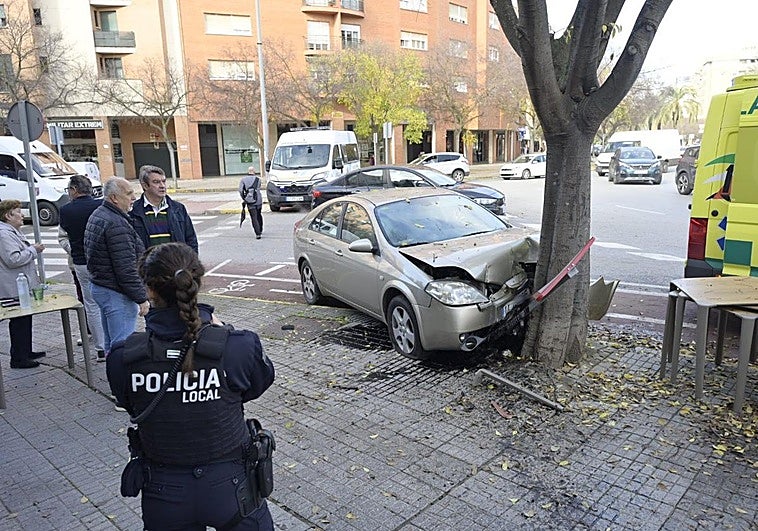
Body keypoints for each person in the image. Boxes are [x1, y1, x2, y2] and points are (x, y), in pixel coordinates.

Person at [106, 242, 275, 530]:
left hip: (164, 491)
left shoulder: (124, 356)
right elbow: (257, 383)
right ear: (197, 282)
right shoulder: (238, 345)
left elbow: (128, 401)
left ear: (149, 290)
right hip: (233, 488)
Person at [84, 177, 149, 355]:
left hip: (102, 286)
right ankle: (120, 381)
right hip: (116, 292)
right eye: (129, 194)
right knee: (122, 347)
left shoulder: (100, 214)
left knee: (111, 345)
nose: (134, 197)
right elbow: (125, 268)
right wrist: (141, 298)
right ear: (114, 198)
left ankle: (112, 376)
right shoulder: (115, 223)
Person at [59, 175, 106, 360]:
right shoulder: (101, 205)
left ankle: (100, 348)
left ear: (74, 190)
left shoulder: (65, 211)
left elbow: (65, 236)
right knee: (108, 301)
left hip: (81, 262)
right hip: (103, 260)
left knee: (91, 304)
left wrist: (75, 249)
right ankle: (113, 342)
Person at [0, 200, 46, 369]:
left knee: (25, 317)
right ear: (8, 216)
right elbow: (13, 259)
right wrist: (34, 250)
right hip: (12, 286)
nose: (22, 215)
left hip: (20, 286)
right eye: (18, 212)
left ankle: (25, 351)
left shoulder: (12, 231)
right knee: (19, 320)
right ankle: (18, 358)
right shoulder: (4, 234)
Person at [129, 165, 198, 253]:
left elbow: (191, 239)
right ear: (145, 186)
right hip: (148, 265)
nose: (162, 186)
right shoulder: (133, 211)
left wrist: (191, 263)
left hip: (175, 264)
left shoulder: (178, 209)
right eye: (156, 182)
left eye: (164, 181)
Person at [238, 166, 263, 239]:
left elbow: (240, 190)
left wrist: (245, 198)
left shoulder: (243, 180)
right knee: (259, 214)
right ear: (254, 171)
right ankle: (260, 229)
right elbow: (259, 188)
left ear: (248, 171)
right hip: (258, 199)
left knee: (253, 217)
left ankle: (257, 233)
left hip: (250, 200)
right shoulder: (258, 179)